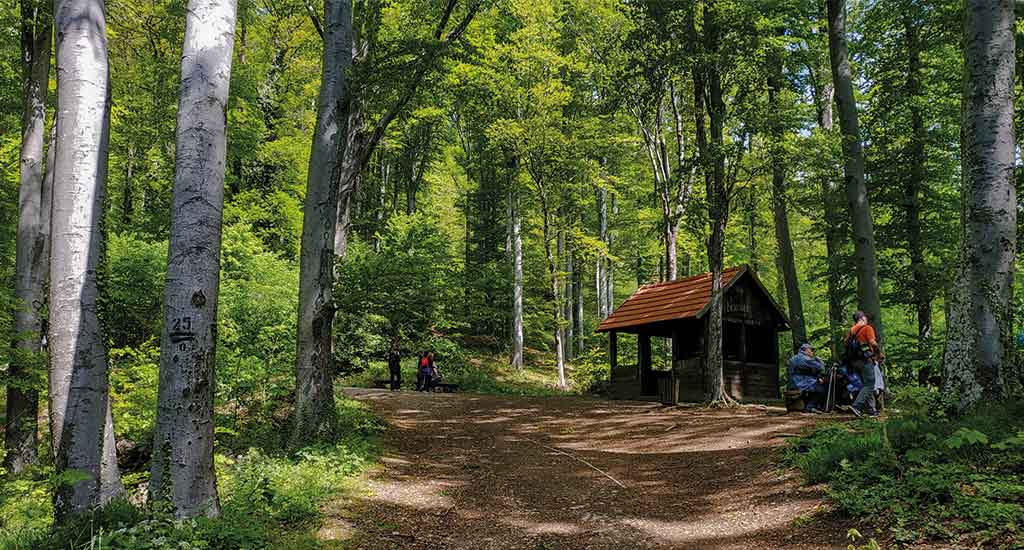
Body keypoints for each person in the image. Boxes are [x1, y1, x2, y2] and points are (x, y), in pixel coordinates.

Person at [844, 311, 882, 417]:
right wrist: (879, 354)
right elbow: (873, 343)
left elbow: (846, 343)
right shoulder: (867, 328)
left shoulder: (851, 331)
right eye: (865, 317)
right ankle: (856, 406)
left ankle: (871, 410)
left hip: (854, 362)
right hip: (865, 360)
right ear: (862, 318)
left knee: (866, 384)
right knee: (870, 384)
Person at [787, 343, 827, 412]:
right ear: (806, 350)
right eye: (811, 350)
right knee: (821, 389)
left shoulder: (793, 358)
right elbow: (821, 368)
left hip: (792, 383)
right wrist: (818, 360)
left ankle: (807, 406)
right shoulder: (806, 359)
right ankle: (809, 407)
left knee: (814, 385)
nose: (812, 352)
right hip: (801, 383)